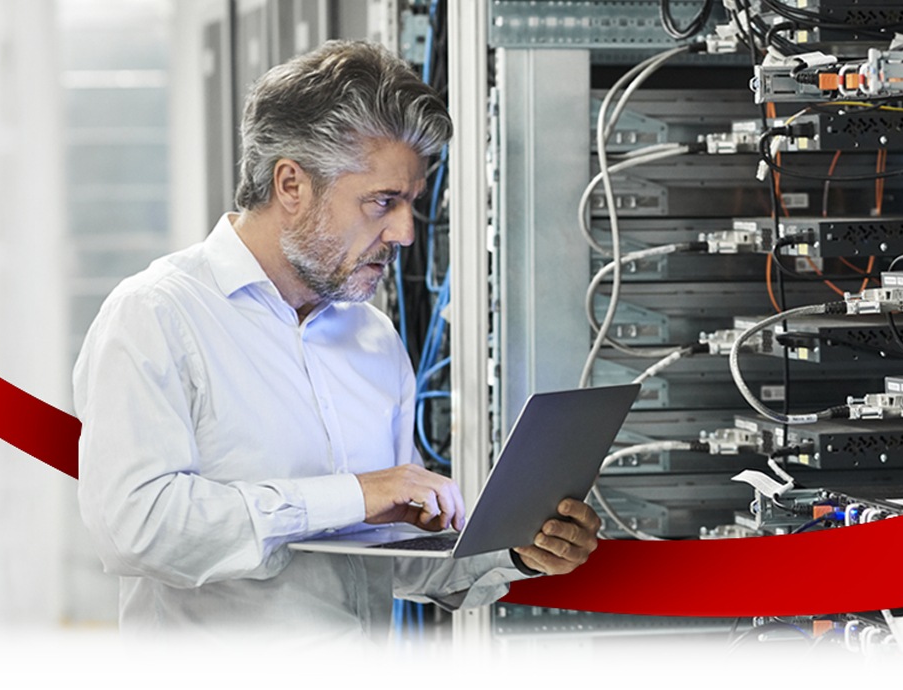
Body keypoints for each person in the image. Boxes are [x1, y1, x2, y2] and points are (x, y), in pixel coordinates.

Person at [73, 39, 601, 640]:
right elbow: (137, 530)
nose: (403, 232)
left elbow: (385, 555)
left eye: (411, 204)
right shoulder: (157, 315)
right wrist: (354, 495)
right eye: (382, 202)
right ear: (291, 185)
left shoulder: (371, 337)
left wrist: (516, 551)